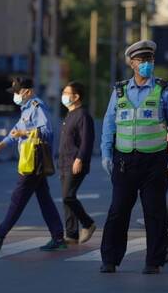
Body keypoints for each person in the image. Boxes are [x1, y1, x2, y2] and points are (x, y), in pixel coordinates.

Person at [99, 40, 168, 274]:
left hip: (154, 162)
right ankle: (110, 259)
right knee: (118, 211)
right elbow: (109, 124)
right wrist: (106, 154)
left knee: (154, 213)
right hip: (124, 161)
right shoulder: (119, 90)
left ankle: (153, 261)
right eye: (141, 60)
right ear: (132, 63)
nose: (146, 64)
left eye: (150, 60)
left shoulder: (164, 89)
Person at [0, 78, 66, 251]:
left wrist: (24, 132)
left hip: (34, 160)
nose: (16, 96)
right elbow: (14, 133)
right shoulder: (26, 109)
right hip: (31, 159)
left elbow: (47, 131)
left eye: (17, 92)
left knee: (18, 199)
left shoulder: (37, 107)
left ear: (28, 91)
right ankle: (58, 238)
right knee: (44, 199)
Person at [59, 81, 96, 244]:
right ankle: (71, 234)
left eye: (67, 93)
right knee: (66, 198)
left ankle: (88, 223)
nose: (64, 96)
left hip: (75, 162)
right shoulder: (69, 114)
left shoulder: (83, 115)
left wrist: (79, 159)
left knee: (68, 196)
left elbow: (87, 141)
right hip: (64, 162)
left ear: (76, 96)